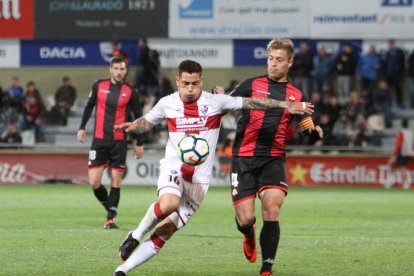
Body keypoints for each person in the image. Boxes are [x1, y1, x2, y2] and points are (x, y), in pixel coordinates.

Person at [112, 59, 314, 276]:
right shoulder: (167, 103)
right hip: (174, 169)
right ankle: (135, 235)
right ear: (178, 81)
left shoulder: (216, 102)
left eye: (195, 84)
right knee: (169, 203)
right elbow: (147, 122)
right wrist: (134, 126)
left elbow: (253, 102)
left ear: (202, 81)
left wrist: (287, 105)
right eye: (186, 83)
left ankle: (122, 270)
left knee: (165, 231)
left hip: (199, 181)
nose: (190, 89)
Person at [229, 38, 323, 276]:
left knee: (271, 209)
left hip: (273, 159)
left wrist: (313, 133)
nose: (273, 64)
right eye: (270, 59)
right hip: (243, 158)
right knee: (245, 219)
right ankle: (248, 235)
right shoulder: (251, 84)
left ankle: (266, 268)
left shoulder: (296, 94)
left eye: (279, 60)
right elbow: (226, 103)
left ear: (290, 62)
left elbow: (307, 132)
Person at [76, 56, 144, 229]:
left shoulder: (131, 92)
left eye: (122, 69)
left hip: (119, 141)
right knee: (94, 183)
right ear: (110, 69)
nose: (119, 72)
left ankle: (110, 218)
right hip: (99, 140)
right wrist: (82, 127)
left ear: (125, 70)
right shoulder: (99, 85)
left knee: (116, 180)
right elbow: (89, 106)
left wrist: (139, 143)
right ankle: (110, 207)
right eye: (116, 69)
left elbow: (139, 118)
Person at [388, 118, 414, 189]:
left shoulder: (401, 133)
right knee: (392, 164)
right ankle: (392, 181)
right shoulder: (411, 133)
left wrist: (395, 154)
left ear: (401, 124)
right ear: (408, 125)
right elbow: (412, 143)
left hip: (402, 152)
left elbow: (398, 145)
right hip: (409, 152)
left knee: (400, 167)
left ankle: (404, 183)